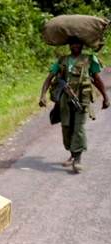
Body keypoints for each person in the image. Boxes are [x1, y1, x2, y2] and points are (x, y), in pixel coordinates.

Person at [39, 36, 109, 173]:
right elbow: (49, 78)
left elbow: (97, 80)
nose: (76, 46)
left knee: (79, 128)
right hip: (65, 101)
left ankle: (77, 159)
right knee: (67, 128)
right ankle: (72, 153)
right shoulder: (62, 61)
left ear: (82, 45)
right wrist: (42, 96)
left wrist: (105, 97)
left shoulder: (89, 60)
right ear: (69, 45)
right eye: (73, 43)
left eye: (78, 43)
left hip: (82, 100)